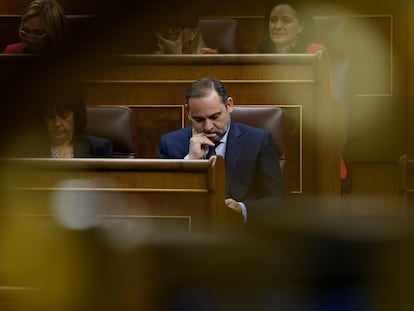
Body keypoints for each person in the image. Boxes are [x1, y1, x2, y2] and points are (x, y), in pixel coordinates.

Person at [158, 77, 284, 225]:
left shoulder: (258, 141)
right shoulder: (170, 143)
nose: (208, 127)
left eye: (214, 117)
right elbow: (163, 203)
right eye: (199, 119)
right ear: (188, 111)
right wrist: (191, 162)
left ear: (229, 105)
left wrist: (242, 209)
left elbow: (276, 202)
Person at [257, 0, 326, 54]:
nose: (277, 26)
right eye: (273, 20)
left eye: (286, 20)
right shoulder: (258, 56)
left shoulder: (315, 52)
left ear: (301, 26)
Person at [3, 0, 68, 54]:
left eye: (38, 33)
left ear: (54, 33)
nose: (30, 40)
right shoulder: (12, 52)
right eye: (26, 31)